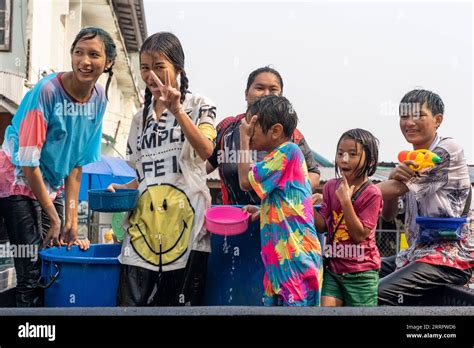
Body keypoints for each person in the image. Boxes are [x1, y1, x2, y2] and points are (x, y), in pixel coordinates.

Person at [0, 27, 116, 306]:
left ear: (108, 63)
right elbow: (28, 163)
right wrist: (54, 217)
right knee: (29, 270)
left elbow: (76, 166)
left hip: (51, 183)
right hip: (16, 177)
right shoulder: (47, 92)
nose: (84, 61)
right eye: (78, 52)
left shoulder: (99, 100)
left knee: (57, 253)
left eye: (93, 54)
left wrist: (71, 221)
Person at [107, 32, 216, 306]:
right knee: (129, 306)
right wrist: (122, 188)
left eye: (159, 67)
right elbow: (143, 174)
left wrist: (176, 109)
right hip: (142, 232)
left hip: (187, 230)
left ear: (178, 68)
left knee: (177, 310)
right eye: (145, 67)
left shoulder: (199, 106)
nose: (151, 75)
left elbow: (205, 150)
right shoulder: (139, 119)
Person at [377, 89, 474, 305]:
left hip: (448, 259)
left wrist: (348, 194)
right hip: (415, 254)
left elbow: (396, 188)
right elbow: (390, 213)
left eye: (418, 115)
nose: (409, 122)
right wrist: (393, 181)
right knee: (355, 273)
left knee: (374, 294)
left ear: (438, 120)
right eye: (404, 117)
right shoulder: (408, 160)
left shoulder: (447, 150)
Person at [238, 95, 323, 306]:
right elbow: (286, 199)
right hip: (280, 262)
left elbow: (244, 181)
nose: (249, 131)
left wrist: (243, 140)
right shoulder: (281, 157)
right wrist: (262, 210)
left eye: (253, 127)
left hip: (296, 260)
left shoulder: (288, 151)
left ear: (275, 131)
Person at [206, 66, 320, 205]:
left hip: (279, 218)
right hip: (234, 216)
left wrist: (292, 196)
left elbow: (313, 173)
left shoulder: (291, 137)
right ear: (246, 93)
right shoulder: (227, 128)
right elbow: (201, 166)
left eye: (273, 90)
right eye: (259, 88)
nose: (266, 94)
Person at [314, 129, 383, 307]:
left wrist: (345, 200)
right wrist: (303, 204)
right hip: (333, 269)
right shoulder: (330, 187)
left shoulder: (372, 193)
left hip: (362, 274)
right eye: (340, 154)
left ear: (371, 161)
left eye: (353, 154)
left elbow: (359, 235)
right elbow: (322, 225)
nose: (344, 160)